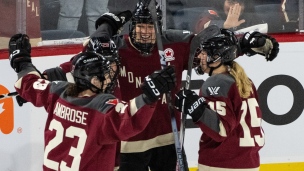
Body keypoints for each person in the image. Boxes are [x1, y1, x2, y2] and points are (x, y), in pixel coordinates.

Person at [42, 2, 279, 170]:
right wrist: (57, 71)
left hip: (168, 137)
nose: (145, 32)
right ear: (131, 27)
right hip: (130, 140)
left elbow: (212, 48)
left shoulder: (174, 45)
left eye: (150, 27)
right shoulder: (118, 48)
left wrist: (245, 43)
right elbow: (87, 61)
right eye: (140, 27)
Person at [8, 33, 176, 171]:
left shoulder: (57, 92)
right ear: (95, 81)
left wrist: (22, 62)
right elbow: (130, 117)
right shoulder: (101, 107)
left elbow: (29, 83)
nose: (109, 79)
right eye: (104, 76)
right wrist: (149, 96)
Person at [174, 29, 272, 170]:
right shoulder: (245, 81)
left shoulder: (215, 83)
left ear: (216, 57)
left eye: (204, 52)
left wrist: (196, 108)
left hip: (221, 162)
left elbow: (221, 130)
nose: (200, 55)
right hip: (249, 163)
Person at [194, 0, 264, 34]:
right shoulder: (213, 12)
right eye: (231, 2)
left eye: (240, 3)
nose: (235, 7)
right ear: (222, 3)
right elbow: (202, 26)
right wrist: (224, 25)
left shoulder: (249, 16)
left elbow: (262, 30)